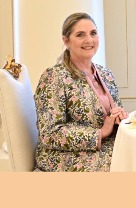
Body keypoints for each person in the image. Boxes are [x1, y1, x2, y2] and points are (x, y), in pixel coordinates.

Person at [34, 12, 128, 171]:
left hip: (106, 146)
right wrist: (101, 133)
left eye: (93, 33)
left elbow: (113, 115)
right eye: (80, 35)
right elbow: (49, 133)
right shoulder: (54, 77)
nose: (89, 40)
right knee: (124, 165)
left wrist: (118, 118)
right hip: (63, 155)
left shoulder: (106, 74)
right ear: (66, 41)